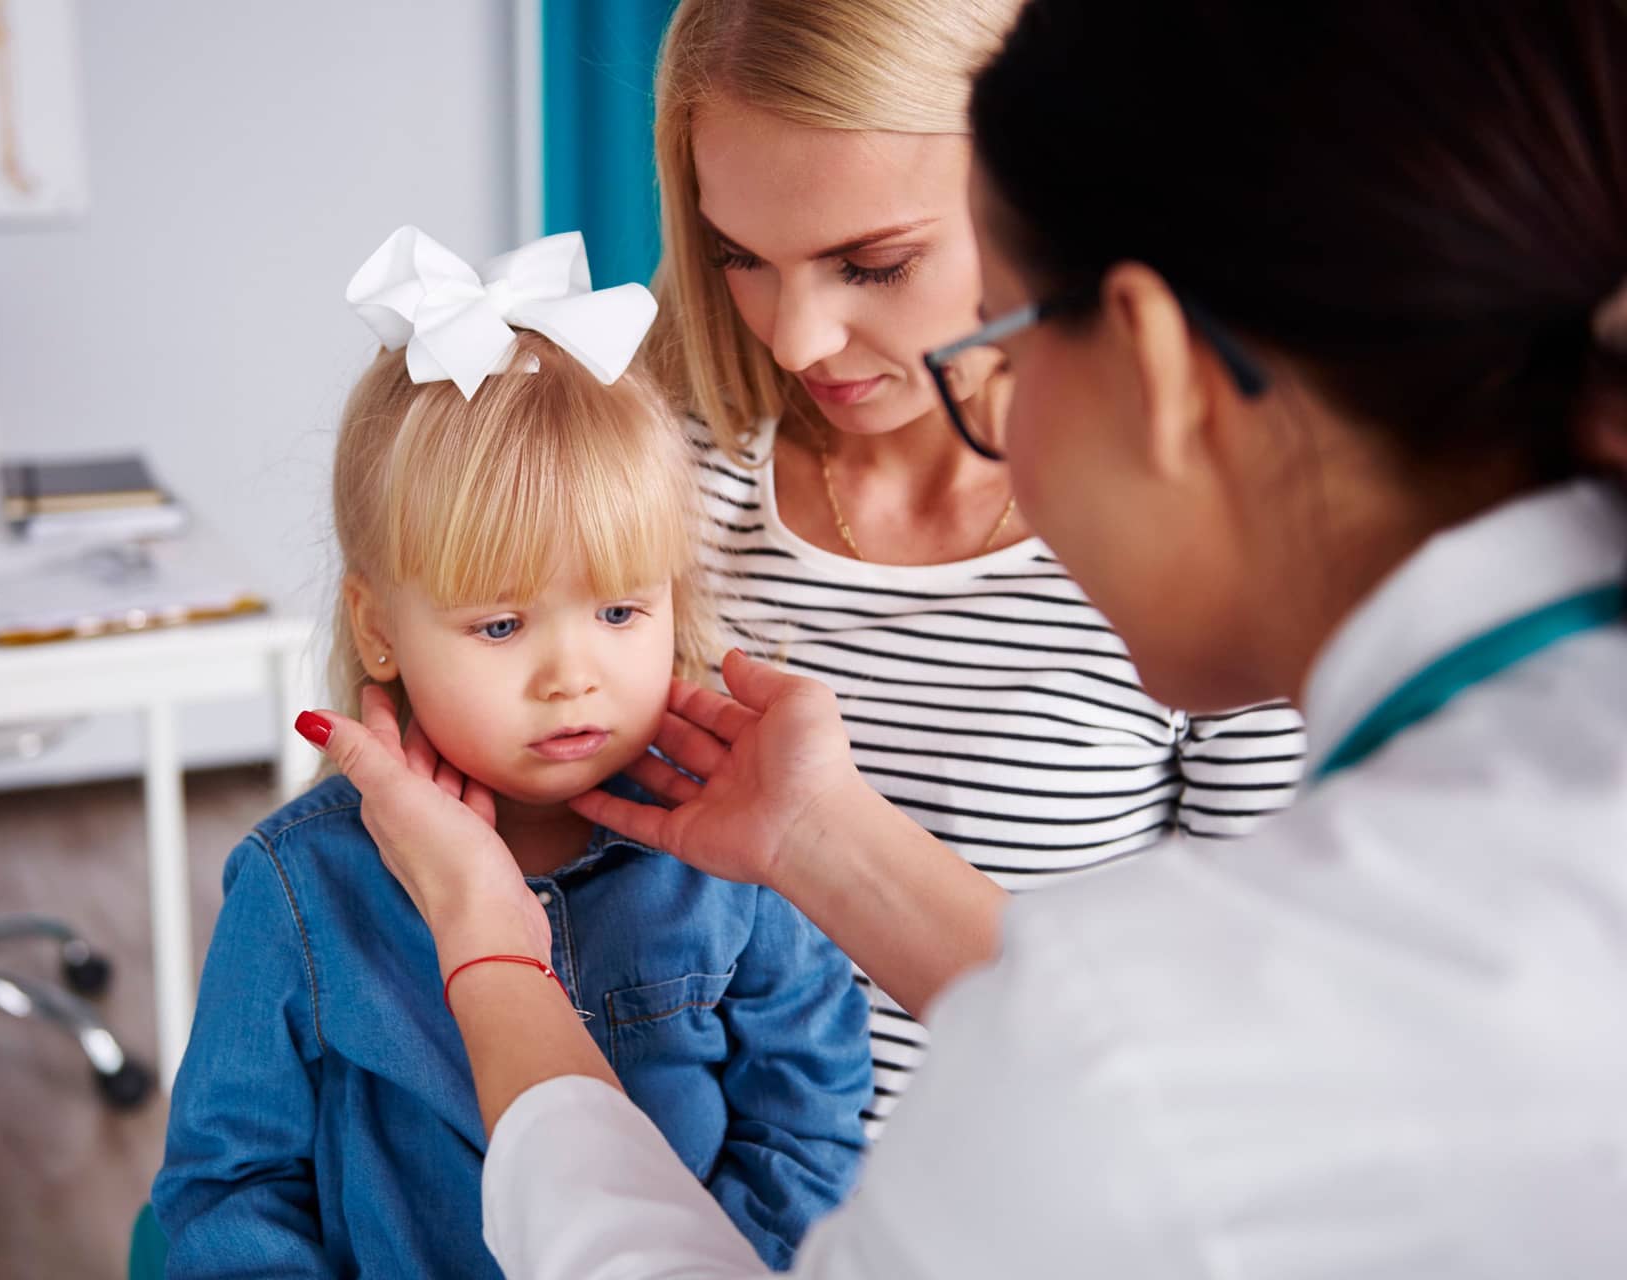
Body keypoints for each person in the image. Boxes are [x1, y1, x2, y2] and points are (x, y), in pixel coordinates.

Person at [298, 1, 1627, 1275]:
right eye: (740, 255)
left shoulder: (1136, 1037)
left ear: (1150, 360)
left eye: (1001, 367)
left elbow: (1116, 1068)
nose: (802, 336)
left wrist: (491, 951)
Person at [153, 227, 872, 1276]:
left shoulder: (739, 860)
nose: (571, 676)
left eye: (619, 610)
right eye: (500, 625)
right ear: (377, 628)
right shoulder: (299, 885)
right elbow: (230, 1186)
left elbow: (806, 1128)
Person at [646, 0, 1306, 1131]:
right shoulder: (657, 472)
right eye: (739, 256)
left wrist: (827, 841)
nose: (798, 338)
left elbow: (1251, 1069)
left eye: (873, 264)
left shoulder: (1212, 547)